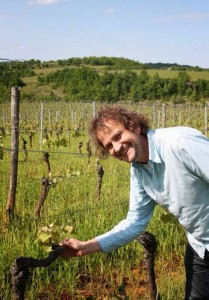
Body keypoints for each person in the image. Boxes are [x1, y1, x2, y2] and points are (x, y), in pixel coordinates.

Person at [60, 105, 209, 299]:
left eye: (118, 136)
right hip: (200, 247)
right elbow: (135, 222)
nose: (117, 147)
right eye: (109, 146)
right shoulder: (139, 171)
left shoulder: (180, 144)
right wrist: (85, 246)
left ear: (136, 126)